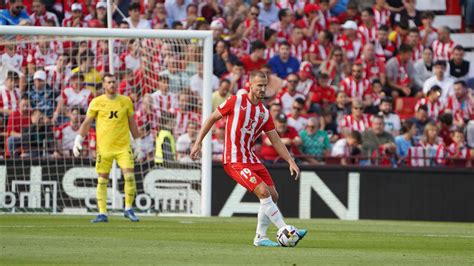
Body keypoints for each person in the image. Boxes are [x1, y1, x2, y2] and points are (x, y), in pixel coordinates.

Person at [190, 71, 307, 247]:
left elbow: (275, 140)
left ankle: (260, 237)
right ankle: (287, 230)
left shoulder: (264, 113)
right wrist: (198, 142)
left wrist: (290, 160)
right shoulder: (236, 101)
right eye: (259, 85)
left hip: (251, 158)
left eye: (265, 85)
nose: (262, 89)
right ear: (250, 85)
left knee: (273, 196)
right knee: (263, 192)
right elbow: (212, 118)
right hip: (233, 159)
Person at [73, 73, 143, 223]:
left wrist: (138, 144)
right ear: (104, 85)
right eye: (109, 82)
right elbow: (87, 122)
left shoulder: (125, 101)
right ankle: (102, 213)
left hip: (123, 147)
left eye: (114, 82)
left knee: (129, 176)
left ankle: (128, 209)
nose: (112, 84)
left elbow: (132, 123)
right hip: (104, 149)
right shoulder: (97, 102)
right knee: (102, 180)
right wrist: (79, 139)